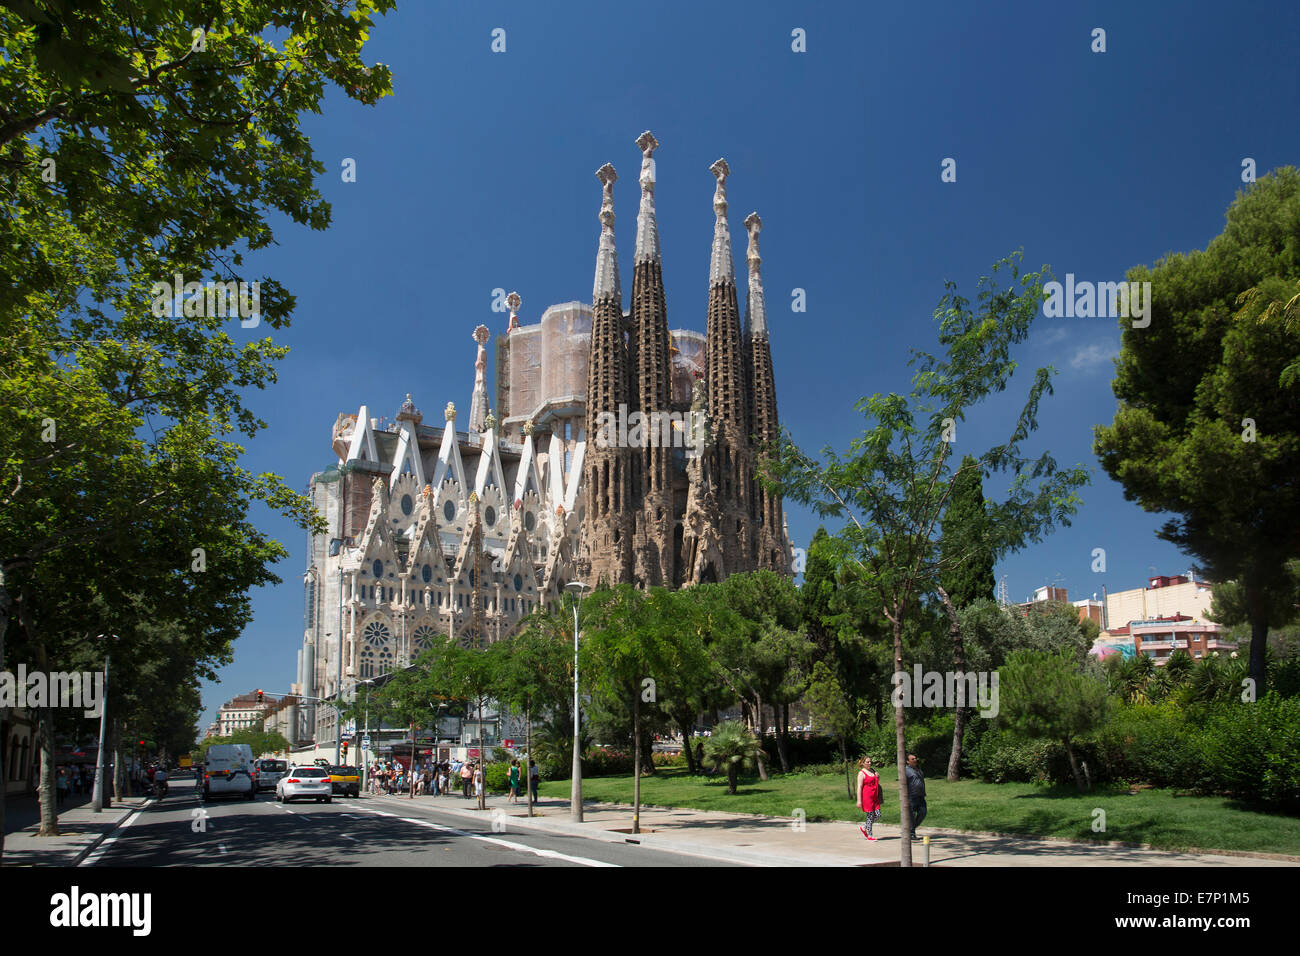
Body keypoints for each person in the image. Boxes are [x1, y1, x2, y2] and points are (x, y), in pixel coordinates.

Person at [856, 756, 883, 841]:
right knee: (870, 816)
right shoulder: (861, 773)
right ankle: (870, 835)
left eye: (870, 761)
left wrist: (877, 777)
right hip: (867, 797)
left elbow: (875, 782)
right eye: (867, 762)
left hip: (875, 796)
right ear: (863, 763)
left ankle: (864, 827)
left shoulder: (873, 771)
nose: (869, 763)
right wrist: (859, 800)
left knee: (878, 815)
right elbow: (859, 787)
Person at [905, 753, 927, 837]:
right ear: (908, 761)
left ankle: (911, 829)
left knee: (923, 812)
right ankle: (911, 832)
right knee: (911, 815)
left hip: (921, 796)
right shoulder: (906, 770)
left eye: (915, 758)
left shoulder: (919, 769)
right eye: (912, 759)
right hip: (911, 796)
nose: (915, 760)